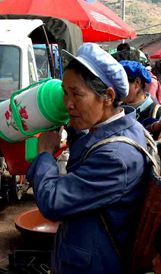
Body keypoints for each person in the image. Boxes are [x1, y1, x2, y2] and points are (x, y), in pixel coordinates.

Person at [26, 43, 151, 274]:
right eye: (65, 92)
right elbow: (89, 146)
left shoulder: (117, 158)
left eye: (77, 94)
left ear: (108, 97)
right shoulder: (121, 127)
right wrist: (73, 128)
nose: (67, 103)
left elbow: (52, 202)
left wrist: (44, 154)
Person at [119, 60, 161, 138]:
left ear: (137, 83)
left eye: (122, 84)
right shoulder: (119, 108)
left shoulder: (158, 114)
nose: (118, 89)